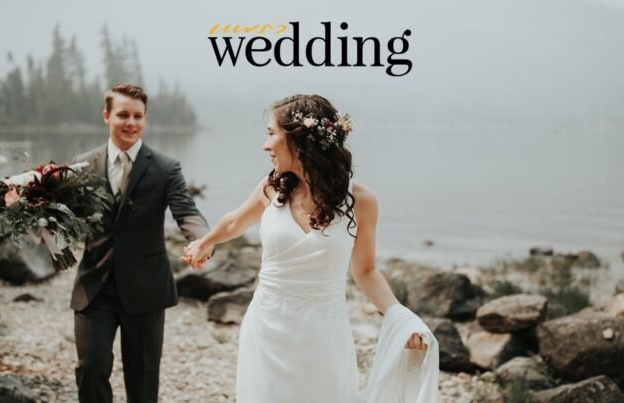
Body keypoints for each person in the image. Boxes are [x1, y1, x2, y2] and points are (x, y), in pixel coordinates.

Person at [182, 94, 438, 402]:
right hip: (266, 329)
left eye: (271, 133)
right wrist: (205, 242)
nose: (265, 145)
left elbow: (366, 271)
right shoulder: (271, 187)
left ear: (299, 140)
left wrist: (401, 316)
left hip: (324, 336)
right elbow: (235, 222)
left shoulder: (362, 201)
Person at [70, 83, 211, 403]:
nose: (131, 122)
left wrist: (202, 241)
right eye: (123, 115)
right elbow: (62, 215)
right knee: (90, 368)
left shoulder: (165, 168)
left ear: (145, 118)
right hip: (95, 287)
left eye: (138, 116)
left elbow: (186, 212)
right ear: (106, 116)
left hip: (147, 289)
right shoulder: (82, 164)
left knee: (143, 379)